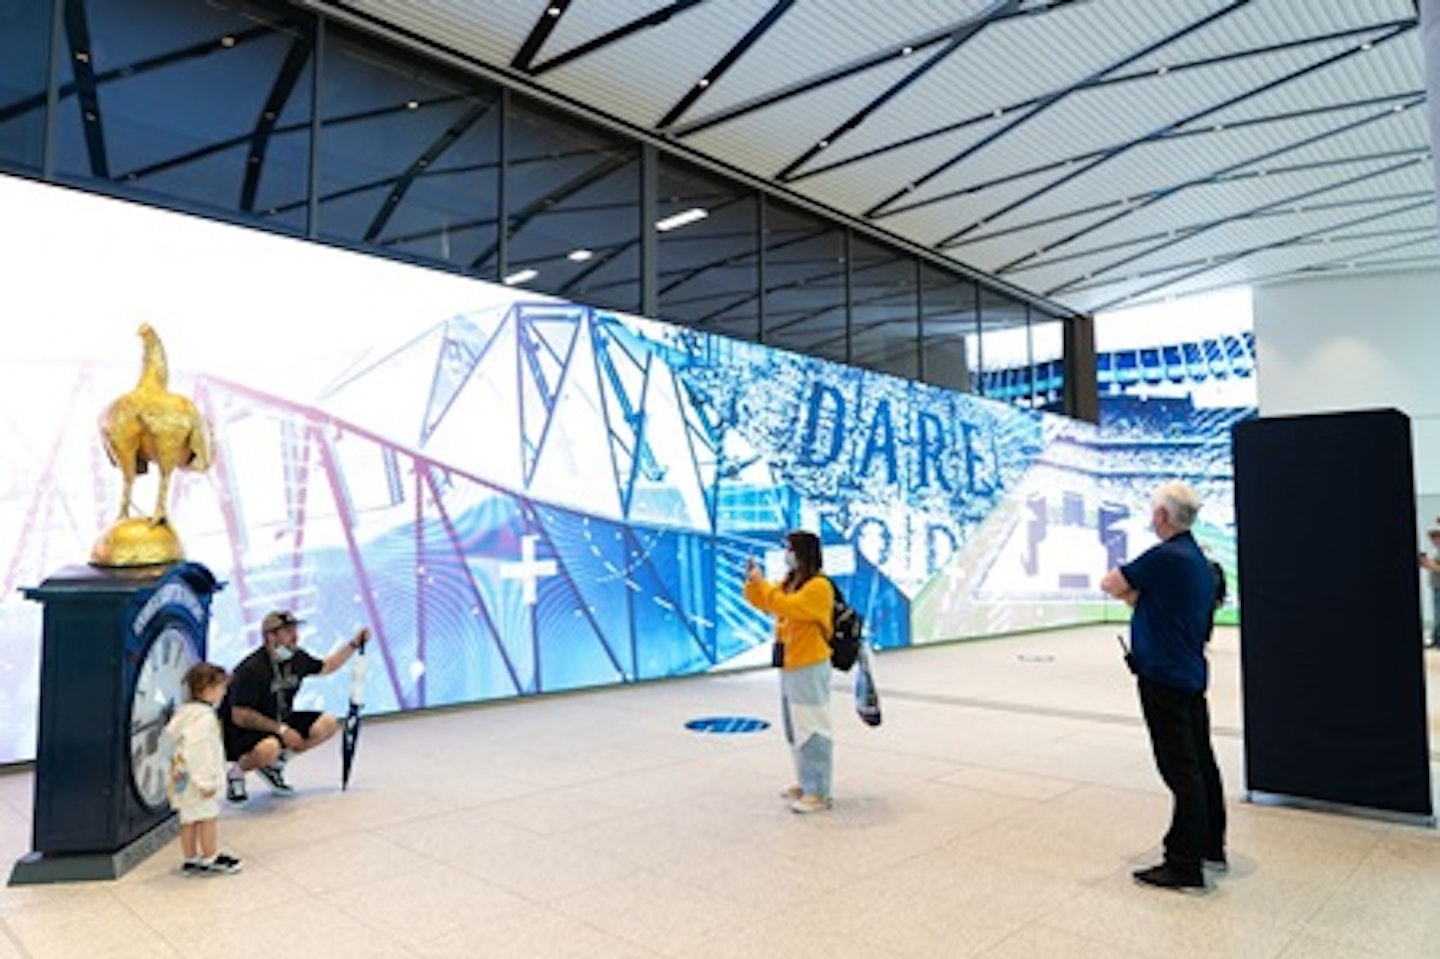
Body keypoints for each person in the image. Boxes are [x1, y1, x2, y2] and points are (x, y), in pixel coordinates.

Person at [1101, 481, 1226, 890]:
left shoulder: (1165, 557)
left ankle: (1183, 861)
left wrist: (1137, 597)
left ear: (1161, 517)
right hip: (1188, 673)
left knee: (1180, 769)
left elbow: (1111, 584)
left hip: (1164, 677)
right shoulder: (1197, 561)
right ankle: (1210, 845)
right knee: (1201, 763)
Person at [222, 610, 369, 802]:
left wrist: (354, 644)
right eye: (288, 631)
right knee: (269, 748)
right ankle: (236, 773)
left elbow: (327, 666)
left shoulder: (296, 658)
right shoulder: (251, 669)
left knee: (328, 723)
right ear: (270, 637)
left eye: (294, 630)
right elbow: (240, 714)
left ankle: (275, 765)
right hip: (245, 729)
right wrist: (282, 730)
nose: (295, 636)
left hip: (280, 718)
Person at [743, 530, 835, 814]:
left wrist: (763, 586)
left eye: (790, 549)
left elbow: (787, 606)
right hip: (791, 662)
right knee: (795, 727)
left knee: (811, 726)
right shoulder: (793, 583)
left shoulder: (819, 587)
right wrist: (753, 584)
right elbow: (768, 603)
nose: (787, 555)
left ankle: (818, 791)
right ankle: (806, 782)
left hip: (810, 663)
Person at [165, 662, 242, 875]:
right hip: (199, 781)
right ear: (206, 689)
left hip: (181, 778)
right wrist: (206, 781)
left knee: (188, 819)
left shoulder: (184, 714)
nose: (224, 692)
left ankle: (190, 858)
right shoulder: (204, 719)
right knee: (207, 818)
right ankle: (210, 856)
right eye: (221, 687)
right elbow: (200, 752)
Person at [1417, 527, 1440, 648]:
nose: (1432, 541)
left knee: (1438, 615)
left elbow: (1438, 568)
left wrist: (1427, 563)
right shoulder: (1437, 551)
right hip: (1436, 586)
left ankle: (1437, 641)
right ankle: (1436, 639)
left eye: (1434, 538)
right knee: (1437, 615)